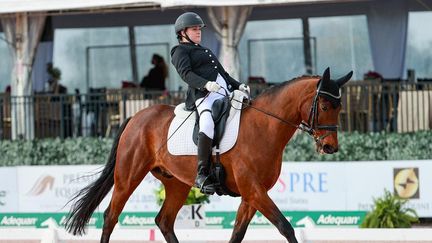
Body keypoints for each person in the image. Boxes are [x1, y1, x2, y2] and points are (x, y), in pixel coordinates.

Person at [170, 12, 250, 195]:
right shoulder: (179, 51)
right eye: (194, 29)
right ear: (183, 32)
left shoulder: (205, 50)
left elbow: (224, 75)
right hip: (203, 95)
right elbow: (186, 74)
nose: (198, 32)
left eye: (199, 29)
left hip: (224, 93)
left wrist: (239, 85)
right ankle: (202, 173)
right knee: (206, 123)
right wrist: (205, 84)